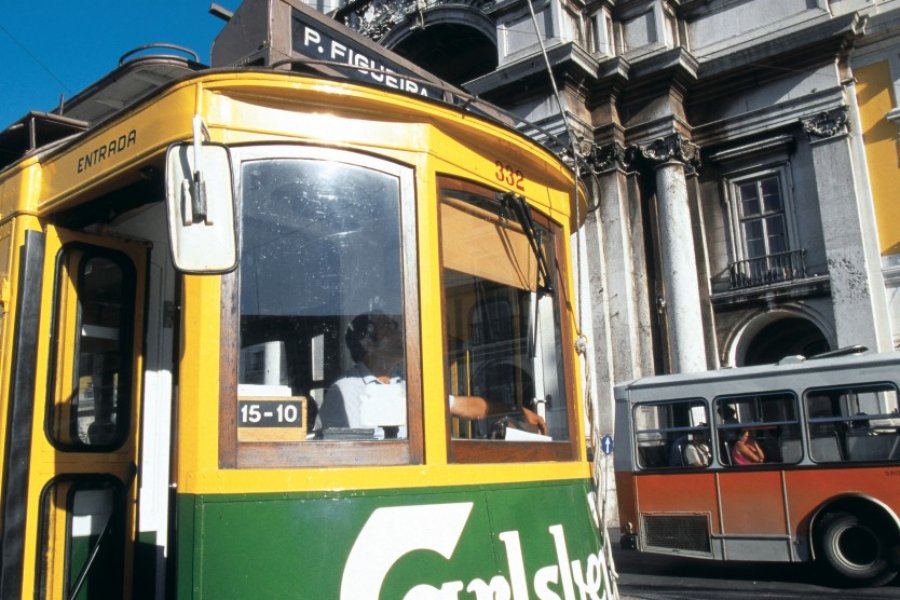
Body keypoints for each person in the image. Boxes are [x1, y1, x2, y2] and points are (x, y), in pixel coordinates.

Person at [318, 312, 547, 437]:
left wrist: (517, 411)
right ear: (368, 342)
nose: (400, 332)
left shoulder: (404, 387)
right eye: (389, 327)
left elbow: (463, 406)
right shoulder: (347, 390)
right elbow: (353, 456)